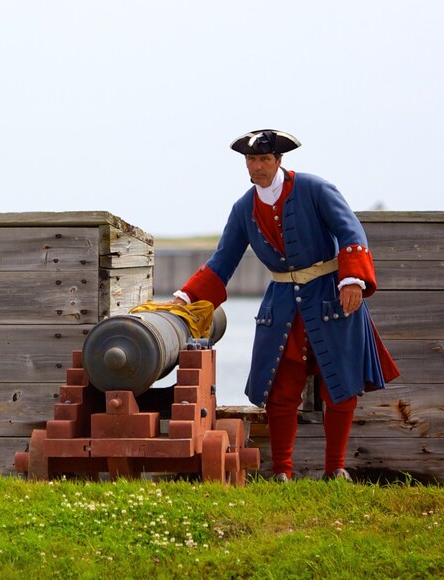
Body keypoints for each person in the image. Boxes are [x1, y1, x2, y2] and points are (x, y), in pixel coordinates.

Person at [164, 129, 400, 482]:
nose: (257, 166)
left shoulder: (316, 189)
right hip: (282, 304)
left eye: (264, 159)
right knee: (279, 388)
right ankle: (282, 472)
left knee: (341, 383)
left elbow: (351, 231)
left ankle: (336, 469)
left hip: (331, 298)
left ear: (279, 160)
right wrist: (186, 297)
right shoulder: (243, 208)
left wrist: (353, 279)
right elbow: (223, 260)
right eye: (251, 160)